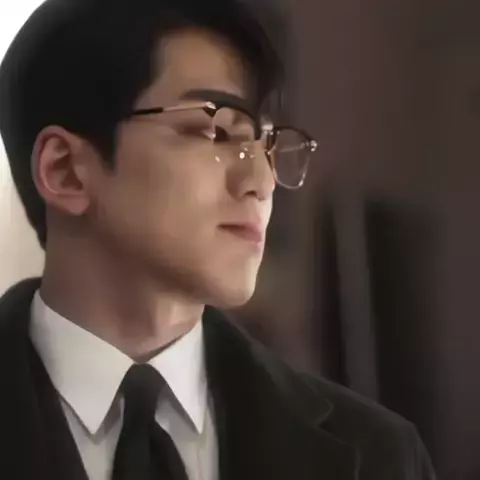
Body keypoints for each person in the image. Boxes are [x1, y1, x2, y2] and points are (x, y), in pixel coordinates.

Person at [0, 0, 436, 479]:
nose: (262, 182)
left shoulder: (380, 455)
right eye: (215, 131)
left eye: (266, 144)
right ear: (64, 170)